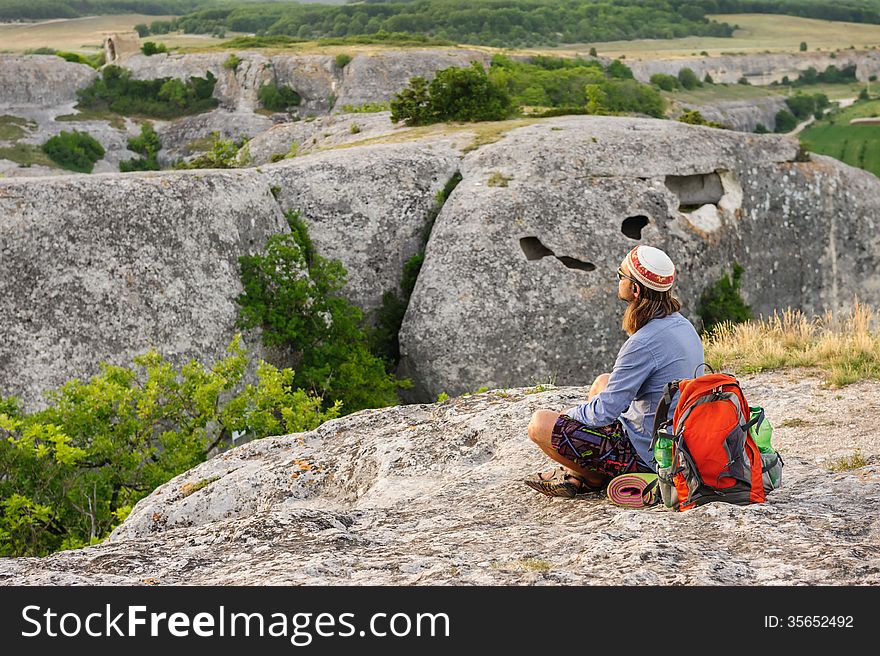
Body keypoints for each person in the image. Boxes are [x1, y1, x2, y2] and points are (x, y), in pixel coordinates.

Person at [524, 245, 705, 497]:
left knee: (539, 424)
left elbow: (605, 411)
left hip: (650, 454)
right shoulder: (682, 325)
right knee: (602, 382)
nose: (618, 280)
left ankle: (591, 475)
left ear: (635, 289)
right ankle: (578, 472)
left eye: (621, 275)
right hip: (674, 436)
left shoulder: (642, 343)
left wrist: (567, 415)